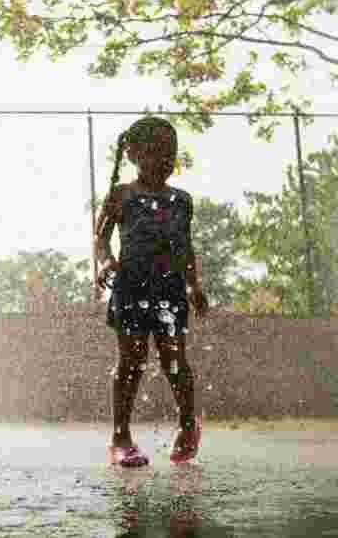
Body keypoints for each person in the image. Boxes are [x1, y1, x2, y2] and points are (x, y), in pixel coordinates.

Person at [93, 116, 209, 467]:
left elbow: (185, 247)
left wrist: (193, 284)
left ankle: (188, 425)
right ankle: (120, 437)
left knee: (175, 360)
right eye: (156, 151)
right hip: (130, 286)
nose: (164, 159)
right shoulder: (121, 195)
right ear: (133, 153)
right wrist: (105, 262)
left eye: (170, 152)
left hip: (170, 289)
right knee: (131, 360)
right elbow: (100, 239)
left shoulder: (181, 200)